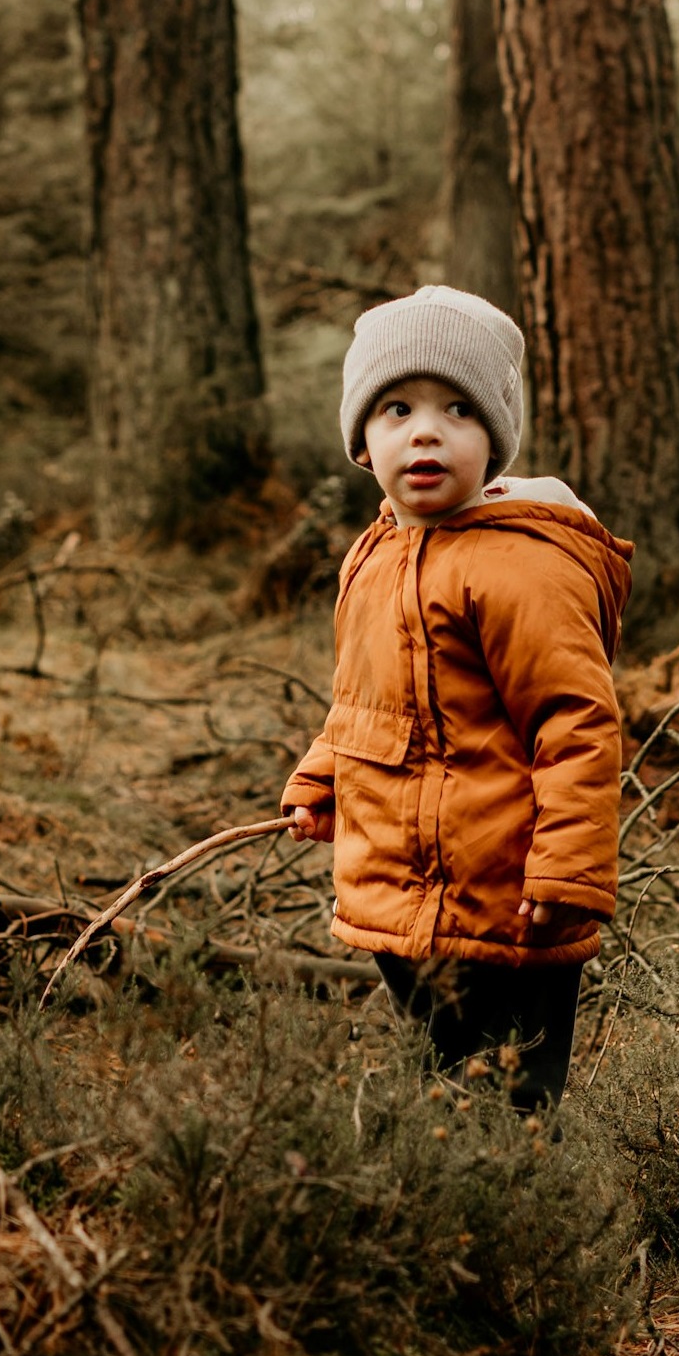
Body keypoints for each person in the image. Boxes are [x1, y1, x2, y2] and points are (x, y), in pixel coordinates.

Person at [279, 285, 632, 1109]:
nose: (425, 430)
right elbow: (363, 696)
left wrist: (568, 870)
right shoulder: (375, 554)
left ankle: (518, 1183)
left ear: (495, 438)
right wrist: (323, 772)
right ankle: (444, 1180)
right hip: (403, 885)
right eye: (397, 408)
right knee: (441, 1082)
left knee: (512, 1094)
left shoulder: (522, 567)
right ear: (362, 440)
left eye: (459, 409)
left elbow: (575, 723)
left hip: (509, 897)